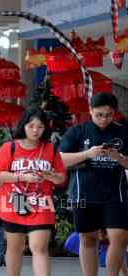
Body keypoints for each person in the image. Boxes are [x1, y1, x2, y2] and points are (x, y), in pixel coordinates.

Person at [0, 106, 66, 276]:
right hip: (15, 200)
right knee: (15, 246)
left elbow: (61, 179)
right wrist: (23, 177)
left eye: (40, 127)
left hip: (41, 202)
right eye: (31, 126)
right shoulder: (10, 147)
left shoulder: (51, 149)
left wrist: (53, 177)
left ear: (45, 128)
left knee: (39, 246)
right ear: (23, 125)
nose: (35, 130)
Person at [60, 92, 128, 276]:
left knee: (120, 237)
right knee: (88, 239)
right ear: (90, 110)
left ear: (114, 112)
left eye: (108, 115)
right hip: (84, 193)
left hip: (116, 194)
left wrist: (119, 157)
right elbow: (60, 160)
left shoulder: (122, 132)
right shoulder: (78, 132)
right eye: (99, 115)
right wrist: (87, 154)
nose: (104, 120)